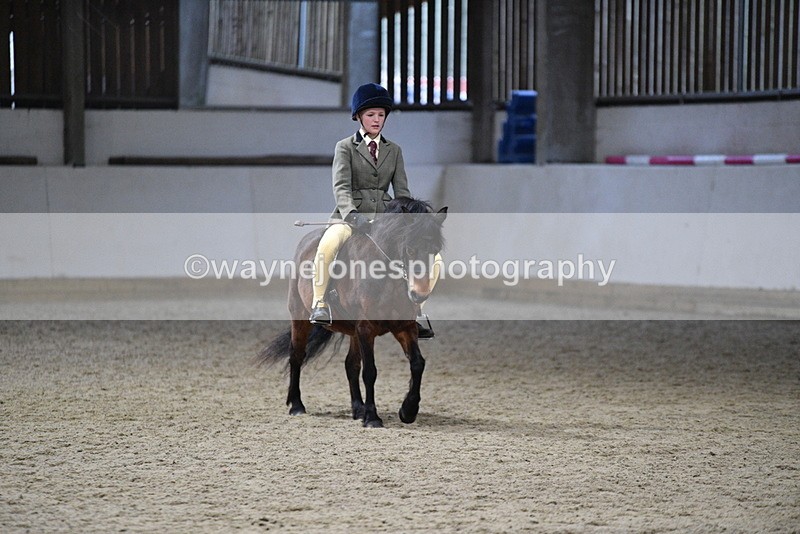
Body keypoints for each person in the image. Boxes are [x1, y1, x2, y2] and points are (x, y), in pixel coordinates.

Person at [309, 82, 437, 338]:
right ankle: (320, 303)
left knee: (433, 257)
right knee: (328, 246)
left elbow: (402, 192)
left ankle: (417, 309)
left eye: (381, 115)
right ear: (358, 116)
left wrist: (409, 221)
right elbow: (341, 187)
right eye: (371, 115)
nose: (376, 120)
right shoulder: (345, 147)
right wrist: (352, 215)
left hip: (387, 219)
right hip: (350, 216)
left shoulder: (394, 150)